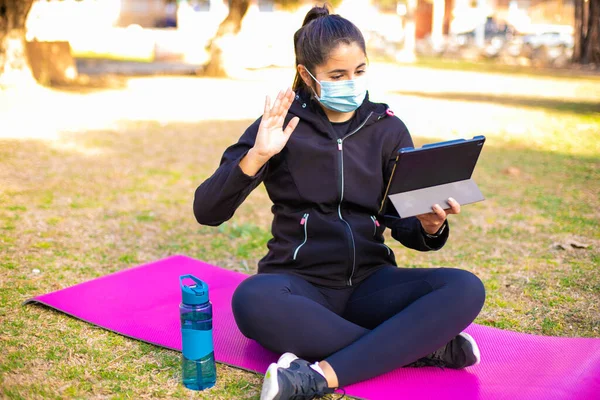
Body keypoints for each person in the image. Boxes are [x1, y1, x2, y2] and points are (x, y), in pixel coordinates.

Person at [193, 5, 486, 399]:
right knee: (250, 299)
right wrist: (258, 155)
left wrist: (429, 226)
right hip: (299, 286)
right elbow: (207, 211)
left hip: (370, 284)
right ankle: (421, 347)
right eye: (337, 75)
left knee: (465, 287)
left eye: (359, 71)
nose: (351, 82)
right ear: (306, 75)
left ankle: (317, 378)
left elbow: (403, 225)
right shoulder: (280, 126)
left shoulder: (387, 128)